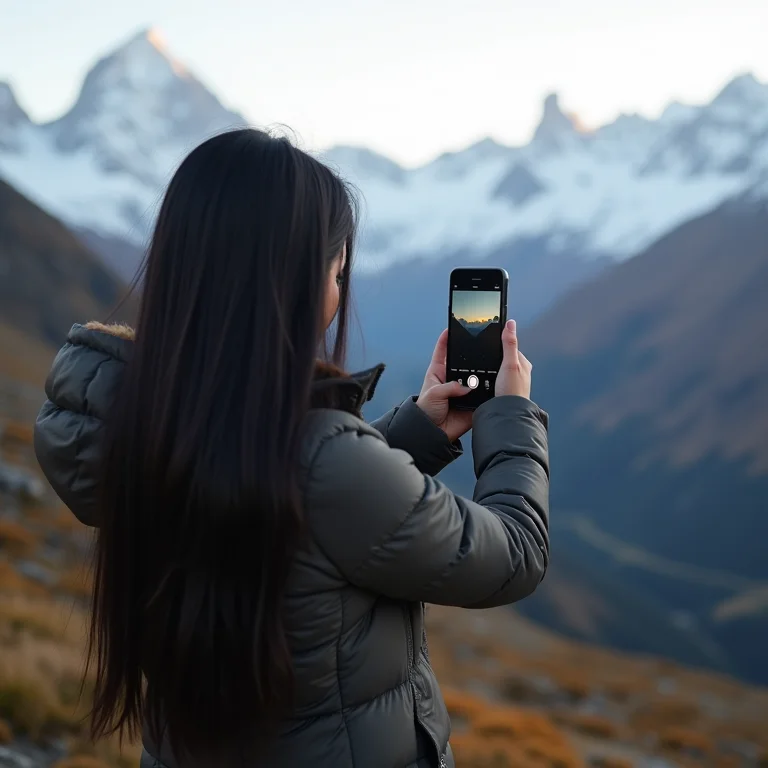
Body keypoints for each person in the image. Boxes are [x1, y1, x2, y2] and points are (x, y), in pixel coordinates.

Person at [34, 128, 549, 768]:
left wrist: (411, 434)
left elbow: (281, 499)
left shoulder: (149, 424)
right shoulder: (323, 459)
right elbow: (515, 555)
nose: (337, 295)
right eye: (336, 271)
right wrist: (509, 415)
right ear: (291, 281)